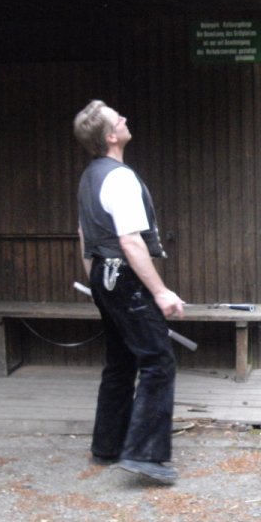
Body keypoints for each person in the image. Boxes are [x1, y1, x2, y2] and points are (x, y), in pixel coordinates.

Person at [73, 100, 184, 485]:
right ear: (110, 136)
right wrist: (162, 292)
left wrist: (95, 281)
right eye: (117, 118)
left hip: (103, 276)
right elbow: (130, 241)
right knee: (158, 361)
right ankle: (144, 454)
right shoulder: (119, 177)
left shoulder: (90, 176)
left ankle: (107, 446)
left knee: (120, 362)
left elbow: (84, 235)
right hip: (124, 277)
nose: (124, 118)